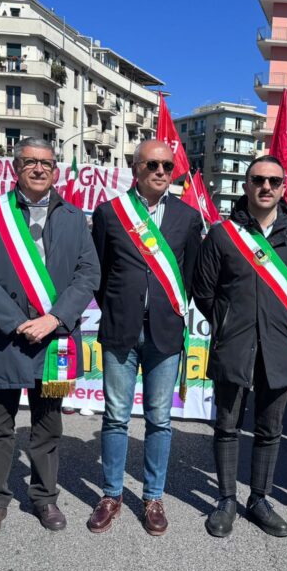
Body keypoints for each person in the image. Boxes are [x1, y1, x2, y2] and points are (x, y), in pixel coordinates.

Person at [0, 137, 99, 537]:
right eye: (30, 162)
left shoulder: (74, 217)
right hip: (4, 337)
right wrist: (15, 321)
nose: (39, 169)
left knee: (48, 424)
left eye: (47, 164)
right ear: (15, 168)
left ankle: (44, 497)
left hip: (53, 340)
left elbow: (88, 274)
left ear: (55, 171)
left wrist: (54, 318)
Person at [192, 156, 287, 538]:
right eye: (258, 179)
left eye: (274, 181)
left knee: (270, 429)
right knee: (227, 426)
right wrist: (230, 323)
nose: (266, 186)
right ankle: (226, 499)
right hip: (234, 345)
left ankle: (258, 498)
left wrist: (279, 328)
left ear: (283, 188)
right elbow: (204, 291)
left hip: (278, 349)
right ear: (246, 185)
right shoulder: (223, 234)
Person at [87, 139, 202, 536]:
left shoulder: (188, 218)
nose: (159, 172)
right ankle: (111, 494)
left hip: (165, 333)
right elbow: (98, 274)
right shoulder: (109, 213)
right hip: (120, 330)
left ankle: (153, 496)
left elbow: (189, 276)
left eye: (167, 167)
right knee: (117, 416)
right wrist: (122, 307)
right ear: (135, 167)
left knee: (159, 419)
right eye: (151, 164)